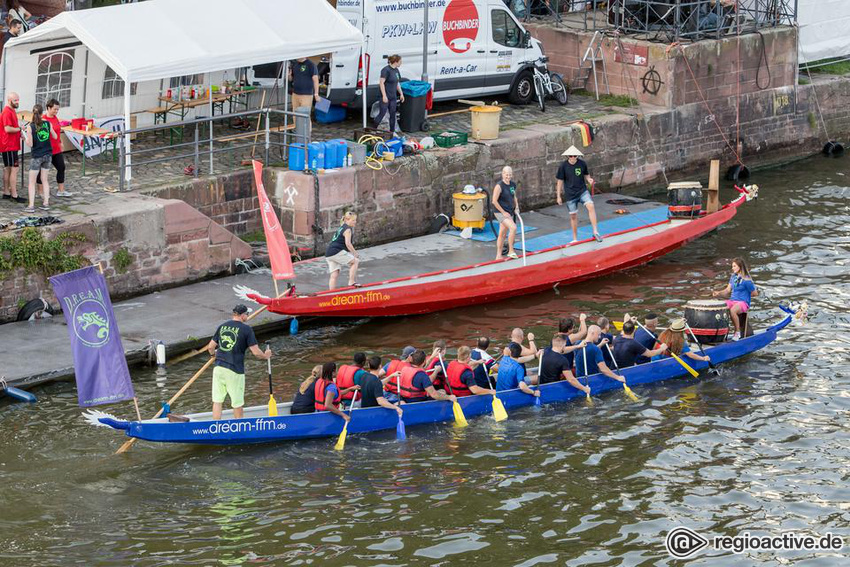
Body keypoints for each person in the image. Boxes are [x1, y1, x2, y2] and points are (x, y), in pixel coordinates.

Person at [206, 304, 272, 420]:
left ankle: (215, 427)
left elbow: (211, 347)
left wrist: (213, 356)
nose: (248, 316)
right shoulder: (247, 330)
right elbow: (256, 352)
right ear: (242, 315)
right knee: (237, 403)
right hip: (234, 370)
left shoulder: (222, 326)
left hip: (218, 368)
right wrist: (266, 356)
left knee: (217, 401)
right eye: (247, 314)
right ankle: (239, 428)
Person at [555, 145, 602, 243]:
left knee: (591, 205)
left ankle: (595, 231)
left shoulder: (582, 164)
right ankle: (575, 238)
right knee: (573, 216)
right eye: (570, 156)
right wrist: (558, 196)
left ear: (577, 156)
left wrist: (589, 180)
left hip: (582, 191)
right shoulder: (563, 166)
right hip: (570, 194)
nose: (572, 158)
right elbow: (560, 181)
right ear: (567, 156)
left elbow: (586, 175)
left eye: (574, 156)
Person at [712, 257, 758, 340]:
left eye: (734, 266)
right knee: (720, 307)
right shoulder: (733, 277)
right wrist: (718, 293)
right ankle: (721, 332)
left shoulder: (747, 281)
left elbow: (755, 293)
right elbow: (727, 290)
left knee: (733, 310)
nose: (732, 268)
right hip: (732, 301)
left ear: (740, 267)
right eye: (732, 266)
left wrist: (744, 295)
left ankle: (737, 332)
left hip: (743, 303)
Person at [24, 104, 57, 213]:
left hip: (37, 156)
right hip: (48, 155)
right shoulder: (48, 123)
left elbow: (31, 144)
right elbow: (55, 136)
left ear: (32, 113)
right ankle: (46, 203)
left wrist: (24, 136)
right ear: (43, 113)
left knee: (32, 182)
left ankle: (31, 206)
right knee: (45, 180)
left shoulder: (30, 126)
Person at [36, 99, 72, 198]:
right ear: (48, 108)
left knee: (61, 167)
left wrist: (60, 142)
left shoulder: (55, 118)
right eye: (55, 109)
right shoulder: (43, 120)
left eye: (57, 109)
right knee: (42, 171)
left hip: (56, 149)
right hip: (46, 151)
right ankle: (40, 192)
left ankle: (61, 190)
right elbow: (40, 136)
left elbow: (57, 132)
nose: (56, 111)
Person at [325, 211, 359, 290]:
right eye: (353, 220)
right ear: (347, 220)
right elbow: (348, 244)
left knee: (334, 274)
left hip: (329, 253)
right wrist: (355, 253)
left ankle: (331, 293)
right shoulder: (348, 229)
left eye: (355, 220)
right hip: (336, 251)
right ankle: (351, 282)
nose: (355, 222)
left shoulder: (342, 227)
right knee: (355, 261)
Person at [492, 165, 519, 260]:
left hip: (509, 211)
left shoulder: (512, 184)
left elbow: (514, 196)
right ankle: (511, 251)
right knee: (513, 227)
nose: (508, 177)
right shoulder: (499, 186)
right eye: (507, 174)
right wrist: (503, 212)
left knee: (502, 234)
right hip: (500, 213)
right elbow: (494, 201)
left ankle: (498, 255)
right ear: (503, 174)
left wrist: (517, 207)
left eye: (510, 175)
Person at [1, 91, 23, 203]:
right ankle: (14, 194)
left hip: (11, 144)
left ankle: (6, 192)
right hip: (9, 145)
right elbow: (8, 129)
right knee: (14, 169)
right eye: (15, 100)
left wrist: (20, 133)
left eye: (18, 100)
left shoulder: (12, 110)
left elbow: (13, 127)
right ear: (10, 101)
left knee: (8, 169)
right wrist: (20, 129)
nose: (17, 102)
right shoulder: (7, 112)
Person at [375, 54, 404, 133]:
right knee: (382, 113)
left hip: (393, 97)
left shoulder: (396, 70)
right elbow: (381, 83)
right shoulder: (386, 70)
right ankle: (372, 130)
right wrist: (384, 96)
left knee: (392, 114)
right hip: (385, 96)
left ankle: (392, 132)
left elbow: (397, 83)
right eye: (400, 61)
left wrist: (401, 94)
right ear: (396, 62)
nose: (401, 63)